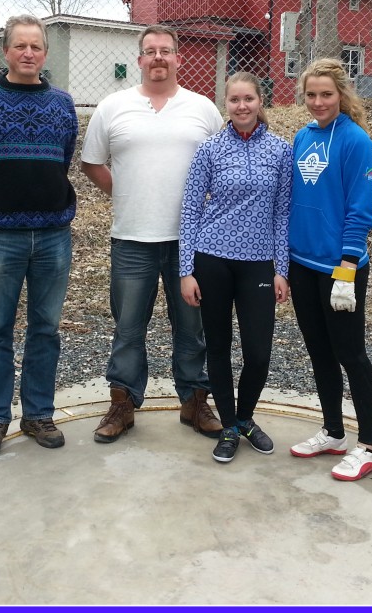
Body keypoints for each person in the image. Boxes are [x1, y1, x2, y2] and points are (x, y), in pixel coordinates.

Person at [80, 25, 225, 443]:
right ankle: (122, 403)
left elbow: (222, 167)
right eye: (150, 52)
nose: (158, 58)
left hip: (192, 242)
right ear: (140, 59)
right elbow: (92, 163)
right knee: (128, 326)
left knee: (192, 326)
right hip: (132, 239)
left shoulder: (203, 109)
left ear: (179, 58)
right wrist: (125, 194)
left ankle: (195, 400)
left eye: (166, 51)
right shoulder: (113, 107)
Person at [0, 14, 80, 455]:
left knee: (45, 329)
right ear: (5, 51)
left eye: (37, 47)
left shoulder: (62, 103)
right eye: (20, 46)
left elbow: (62, 159)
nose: (29, 53)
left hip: (52, 236)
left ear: (45, 53)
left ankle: (38, 414)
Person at [178, 72, 293, 464]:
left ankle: (245, 418)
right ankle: (228, 425)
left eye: (249, 99)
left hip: (258, 265)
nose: (241, 106)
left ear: (261, 101)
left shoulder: (281, 151)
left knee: (258, 353)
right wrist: (186, 270)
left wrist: (282, 269)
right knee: (219, 348)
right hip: (212, 261)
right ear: (225, 104)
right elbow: (191, 209)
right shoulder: (209, 149)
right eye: (234, 100)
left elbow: (282, 213)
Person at [287, 58, 372, 481]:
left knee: (351, 354)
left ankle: (368, 446)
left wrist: (346, 269)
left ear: (341, 95)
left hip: (339, 268)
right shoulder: (301, 139)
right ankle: (333, 431)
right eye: (311, 94)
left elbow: (360, 211)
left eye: (326, 94)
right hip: (302, 264)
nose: (318, 102)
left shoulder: (356, 141)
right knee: (319, 352)